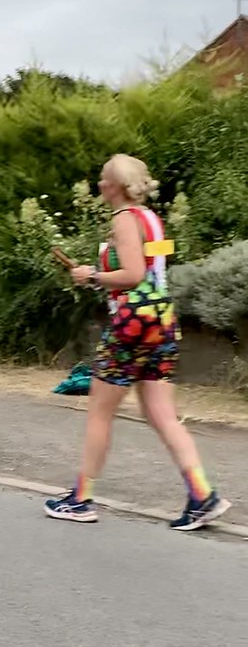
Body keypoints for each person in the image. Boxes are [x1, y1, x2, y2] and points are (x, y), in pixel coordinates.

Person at [44, 154, 230, 532]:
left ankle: (80, 499)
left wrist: (91, 275)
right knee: (160, 413)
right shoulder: (150, 219)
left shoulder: (124, 220)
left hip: (132, 323)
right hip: (161, 320)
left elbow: (133, 274)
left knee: (100, 411)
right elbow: (154, 270)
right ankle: (201, 495)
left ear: (115, 186)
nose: (98, 185)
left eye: (102, 179)